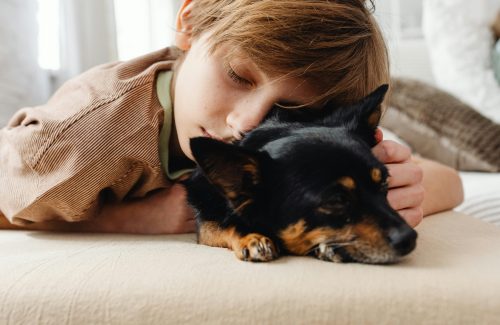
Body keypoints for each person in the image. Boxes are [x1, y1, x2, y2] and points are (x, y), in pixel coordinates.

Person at [0, 0, 463, 234]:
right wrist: (140, 218)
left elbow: (450, 180)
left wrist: (404, 186)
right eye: (238, 76)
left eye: (290, 109)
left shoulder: (297, 132)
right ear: (190, 21)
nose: (247, 123)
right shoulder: (79, 142)